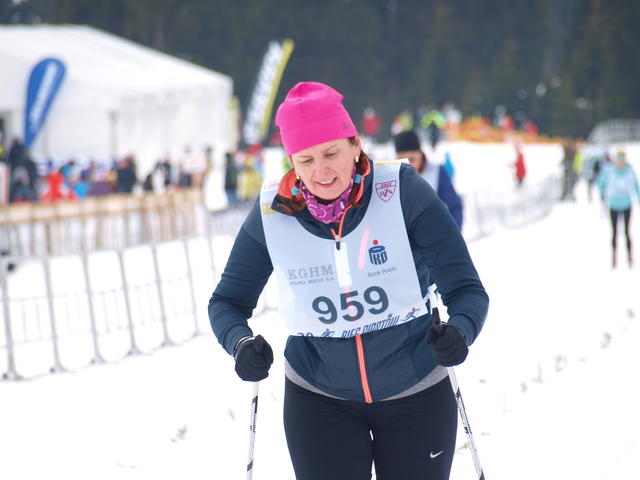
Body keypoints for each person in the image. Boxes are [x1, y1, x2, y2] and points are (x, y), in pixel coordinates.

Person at [208, 81, 488, 479]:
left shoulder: (402, 191)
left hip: (416, 390)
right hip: (318, 399)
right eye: (305, 160)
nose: (320, 171)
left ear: (355, 145)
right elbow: (226, 303)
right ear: (291, 162)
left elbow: (466, 290)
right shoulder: (273, 213)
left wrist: (460, 331)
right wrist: (239, 345)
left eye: (331, 153)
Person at [393, 130, 464, 229]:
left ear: (420, 155)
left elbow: (454, 206)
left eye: (412, 159)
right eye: (401, 160)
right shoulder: (392, 176)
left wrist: (453, 234)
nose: (407, 164)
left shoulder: (436, 171)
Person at [598, 151, 640, 267]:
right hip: (613, 204)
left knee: (627, 231)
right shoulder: (609, 172)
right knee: (614, 232)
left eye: (622, 161)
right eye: (619, 160)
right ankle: (614, 256)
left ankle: (630, 257)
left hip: (626, 204)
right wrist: (602, 196)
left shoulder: (630, 172)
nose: (621, 163)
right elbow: (601, 184)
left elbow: (636, 186)